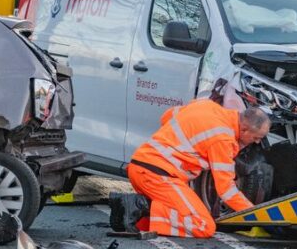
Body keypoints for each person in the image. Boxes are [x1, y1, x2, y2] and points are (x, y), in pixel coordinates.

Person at [109, 100, 269, 238]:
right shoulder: (223, 139)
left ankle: (130, 213)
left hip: (141, 166)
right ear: (244, 129)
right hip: (159, 176)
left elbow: (166, 116)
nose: (256, 143)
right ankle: (140, 205)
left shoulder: (207, 105)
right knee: (203, 225)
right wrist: (257, 215)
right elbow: (226, 190)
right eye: (256, 138)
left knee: (153, 222)